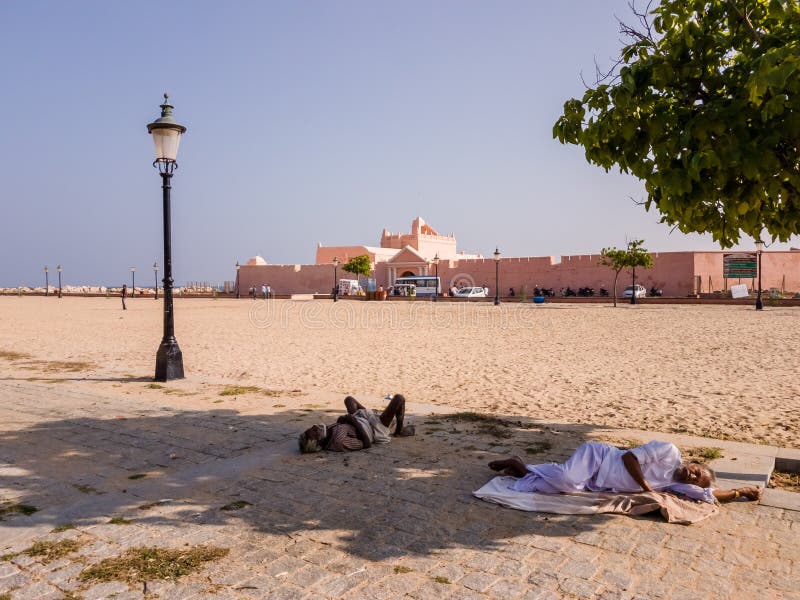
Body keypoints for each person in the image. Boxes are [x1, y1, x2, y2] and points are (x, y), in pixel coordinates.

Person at [488, 440, 762, 504]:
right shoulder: (670, 451)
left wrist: (741, 491)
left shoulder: (674, 485)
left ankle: (518, 465)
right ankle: (522, 465)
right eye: (696, 471)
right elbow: (631, 457)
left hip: (598, 484)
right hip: (599, 457)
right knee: (566, 478)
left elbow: (708, 494)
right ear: (694, 463)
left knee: (554, 487)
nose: (692, 476)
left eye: (695, 478)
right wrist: (646, 487)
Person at [299, 394, 415, 453]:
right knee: (399, 398)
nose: (314, 427)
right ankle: (399, 431)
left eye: (311, 428)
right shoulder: (339, 442)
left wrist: (344, 420)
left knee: (349, 400)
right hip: (374, 428)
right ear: (318, 442)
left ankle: (373, 414)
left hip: (360, 420)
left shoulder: (326, 433)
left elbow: (344, 428)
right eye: (314, 431)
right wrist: (352, 421)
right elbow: (365, 443)